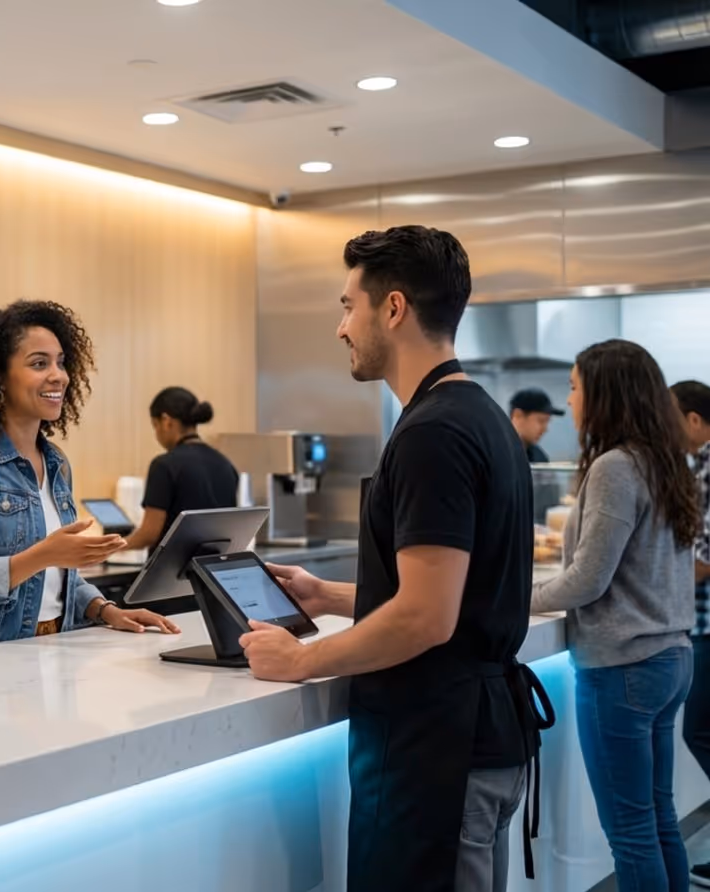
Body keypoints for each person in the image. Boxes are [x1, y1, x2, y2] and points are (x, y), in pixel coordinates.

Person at [239, 225, 546, 892]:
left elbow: (426, 619)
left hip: (438, 750)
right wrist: (326, 596)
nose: (342, 327)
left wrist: (301, 659)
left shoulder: (433, 432)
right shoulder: (481, 417)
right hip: (474, 736)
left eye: (349, 306)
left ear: (395, 308)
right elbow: (453, 595)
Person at [530, 342, 697, 892]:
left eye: (575, 387)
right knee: (657, 817)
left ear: (604, 394)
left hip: (623, 667)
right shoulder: (665, 460)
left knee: (630, 831)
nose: (570, 400)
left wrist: (507, 599)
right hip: (670, 656)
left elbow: (586, 580)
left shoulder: (615, 467)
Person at [0, 300, 179, 650]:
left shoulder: (56, 464)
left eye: (61, 362)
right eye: (39, 363)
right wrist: (43, 555)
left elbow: (53, 582)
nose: (59, 375)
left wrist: (105, 609)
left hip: (52, 648)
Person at [670, 380, 710, 889]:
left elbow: (704, 559)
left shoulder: (707, 469)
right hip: (698, 622)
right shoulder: (696, 468)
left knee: (699, 730)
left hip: (705, 622)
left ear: (695, 421)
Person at [121, 387, 239, 552]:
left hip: (171, 573)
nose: (156, 434)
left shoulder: (164, 465)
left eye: (155, 426)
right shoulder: (225, 464)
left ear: (166, 421)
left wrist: (108, 549)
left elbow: (149, 534)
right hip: (212, 572)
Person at [509, 388, 564, 463]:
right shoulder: (493, 451)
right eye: (541, 421)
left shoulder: (538, 456)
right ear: (518, 415)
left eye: (547, 422)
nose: (545, 429)